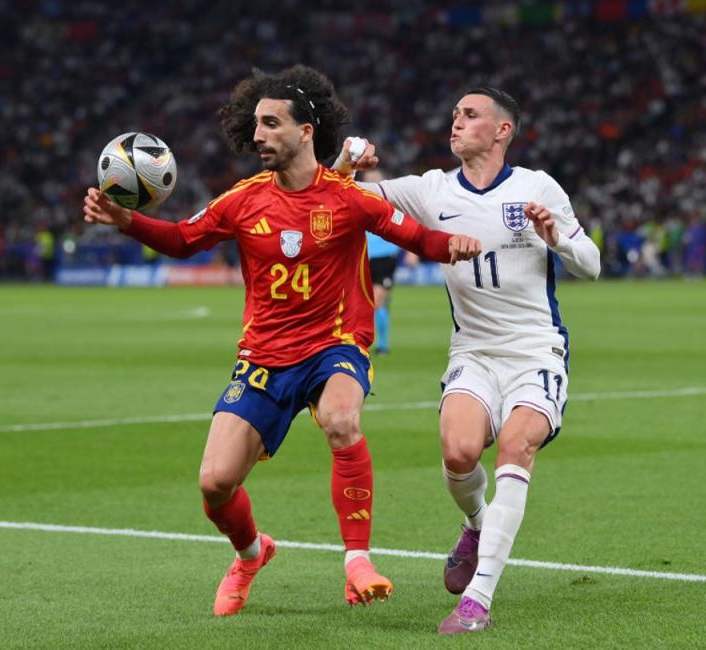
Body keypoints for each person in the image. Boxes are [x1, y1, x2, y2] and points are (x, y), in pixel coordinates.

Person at [82, 65, 481, 616]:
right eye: (256, 125)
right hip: (265, 357)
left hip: (335, 344)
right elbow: (182, 240)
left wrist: (453, 243)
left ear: (305, 131)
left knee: (342, 421)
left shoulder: (348, 198)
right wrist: (125, 220)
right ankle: (251, 554)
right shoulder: (243, 200)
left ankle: (357, 560)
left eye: (271, 124)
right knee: (215, 484)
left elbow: (413, 235)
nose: (259, 135)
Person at [336, 87, 600, 634]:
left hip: (536, 350)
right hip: (473, 351)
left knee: (514, 447)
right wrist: (344, 162)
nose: (456, 121)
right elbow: (344, 198)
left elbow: (592, 264)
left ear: (503, 130)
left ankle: (478, 600)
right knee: (458, 454)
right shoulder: (431, 190)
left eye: (471, 115)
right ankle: (477, 525)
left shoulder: (538, 187)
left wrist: (557, 237)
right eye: (454, 112)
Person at [361, 169, 417, 355]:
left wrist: (412, 251)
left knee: (376, 302)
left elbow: (407, 227)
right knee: (366, 304)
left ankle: (382, 346)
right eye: (368, 179)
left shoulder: (391, 204)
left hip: (385, 258)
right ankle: (365, 343)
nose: (370, 183)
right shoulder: (359, 201)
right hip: (362, 258)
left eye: (374, 180)